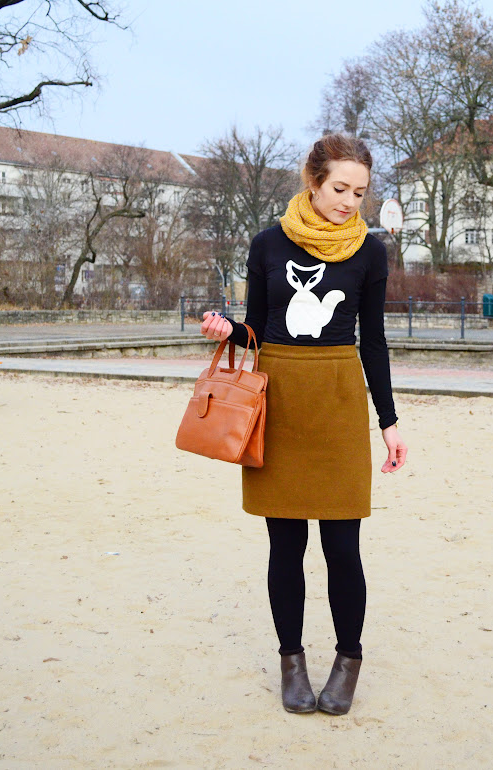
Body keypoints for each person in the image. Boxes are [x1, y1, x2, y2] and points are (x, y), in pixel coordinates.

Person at [200, 133, 407, 716]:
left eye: (360, 193)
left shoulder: (370, 251)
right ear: (313, 181)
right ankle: (291, 662)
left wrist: (389, 422)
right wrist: (228, 331)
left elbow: (374, 341)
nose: (349, 202)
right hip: (280, 402)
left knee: (343, 547)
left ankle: (348, 661)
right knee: (285, 546)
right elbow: (257, 329)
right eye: (340, 188)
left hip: (339, 403)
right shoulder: (268, 243)